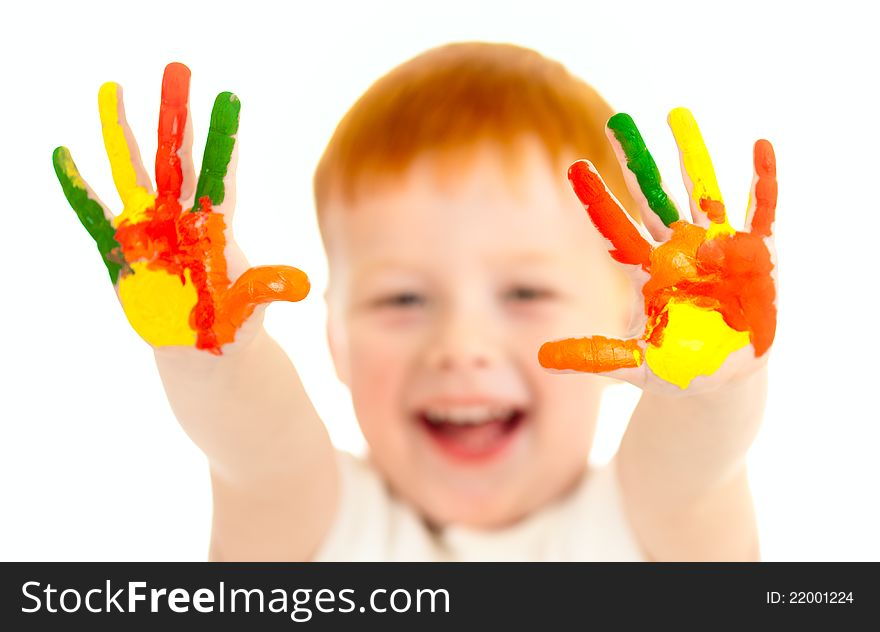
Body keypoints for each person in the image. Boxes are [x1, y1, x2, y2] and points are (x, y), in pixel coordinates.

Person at [53, 42, 777, 561]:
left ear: (631, 317)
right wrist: (211, 357)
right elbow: (257, 448)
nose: (461, 344)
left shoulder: (649, 530)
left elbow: (694, 470)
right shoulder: (312, 529)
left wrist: (708, 391)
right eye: (402, 298)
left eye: (525, 291)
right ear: (334, 335)